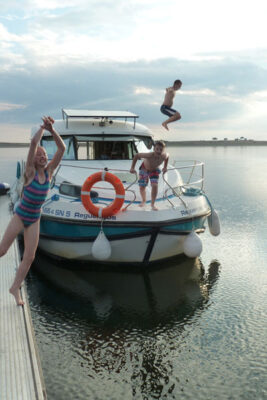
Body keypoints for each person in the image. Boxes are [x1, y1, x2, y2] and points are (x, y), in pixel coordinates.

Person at [0, 116, 66, 306]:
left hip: (34, 218)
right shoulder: (29, 172)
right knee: (3, 250)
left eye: (45, 154)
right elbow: (33, 144)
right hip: (20, 216)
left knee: (30, 257)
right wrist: (42, 129)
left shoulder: (49, 172)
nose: (43, 157)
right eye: (40, 155)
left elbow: (61, 149)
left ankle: (14, 289)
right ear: (34, 159)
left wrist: (52, 131)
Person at [130, 140, 169, 211]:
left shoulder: (164, 155)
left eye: (161, 150)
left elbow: (167, 156)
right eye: (157, 149)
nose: (159, 151)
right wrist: (132, 168)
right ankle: (144, 201)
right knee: (142, 186)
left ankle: (152, 204)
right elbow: (136, 155)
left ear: (163, 150)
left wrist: (165, 167)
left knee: (155, 185)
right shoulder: (149, 155)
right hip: (144, 169)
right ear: (154, 149)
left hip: (154, 170)